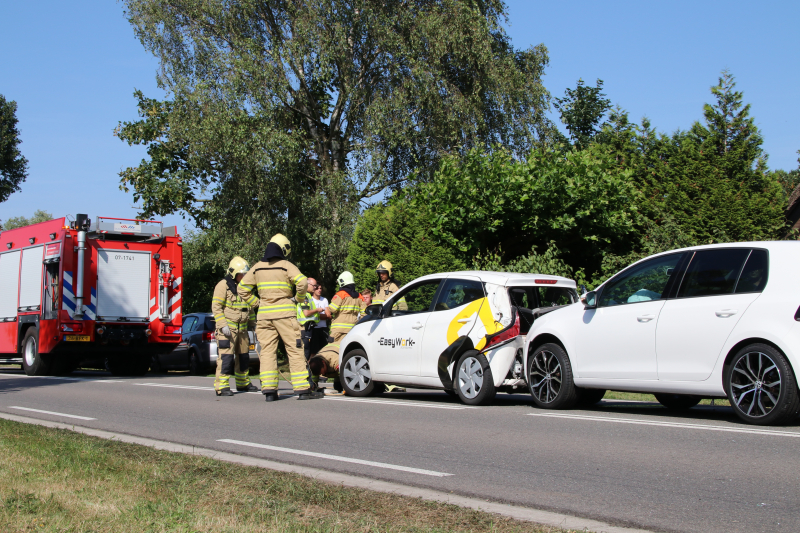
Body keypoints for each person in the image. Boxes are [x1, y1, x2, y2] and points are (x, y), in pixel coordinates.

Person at [238, 234, 323, 401]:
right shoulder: (286, 266)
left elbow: (242, 289)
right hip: (285, 314)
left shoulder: (257, 267)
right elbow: (302, 282)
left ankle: (269, 391)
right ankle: (303, 390)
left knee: (268, 352)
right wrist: (298, 299)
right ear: (282, 249)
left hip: (264, 316)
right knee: (294, 349)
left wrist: (257, 303)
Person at [211, 256, 258, 396]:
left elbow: (249, 309)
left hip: (243, 330)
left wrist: (254, 325)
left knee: (243, 358)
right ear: (233, 273)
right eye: (241, 274)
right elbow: (216, 307)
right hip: (228, 331)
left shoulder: (245, 288)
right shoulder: (222, 286)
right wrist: (222, 325)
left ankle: (242, 383)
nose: (244, 276)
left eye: (245, 274)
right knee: (226, 359)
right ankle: (222, 386)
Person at [328, 271, 366, 343]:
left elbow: (333, 309)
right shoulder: (359, 296)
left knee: (334, 349)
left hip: (338, 330)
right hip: (352, 329)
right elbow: (364, 314)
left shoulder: (340, 294)